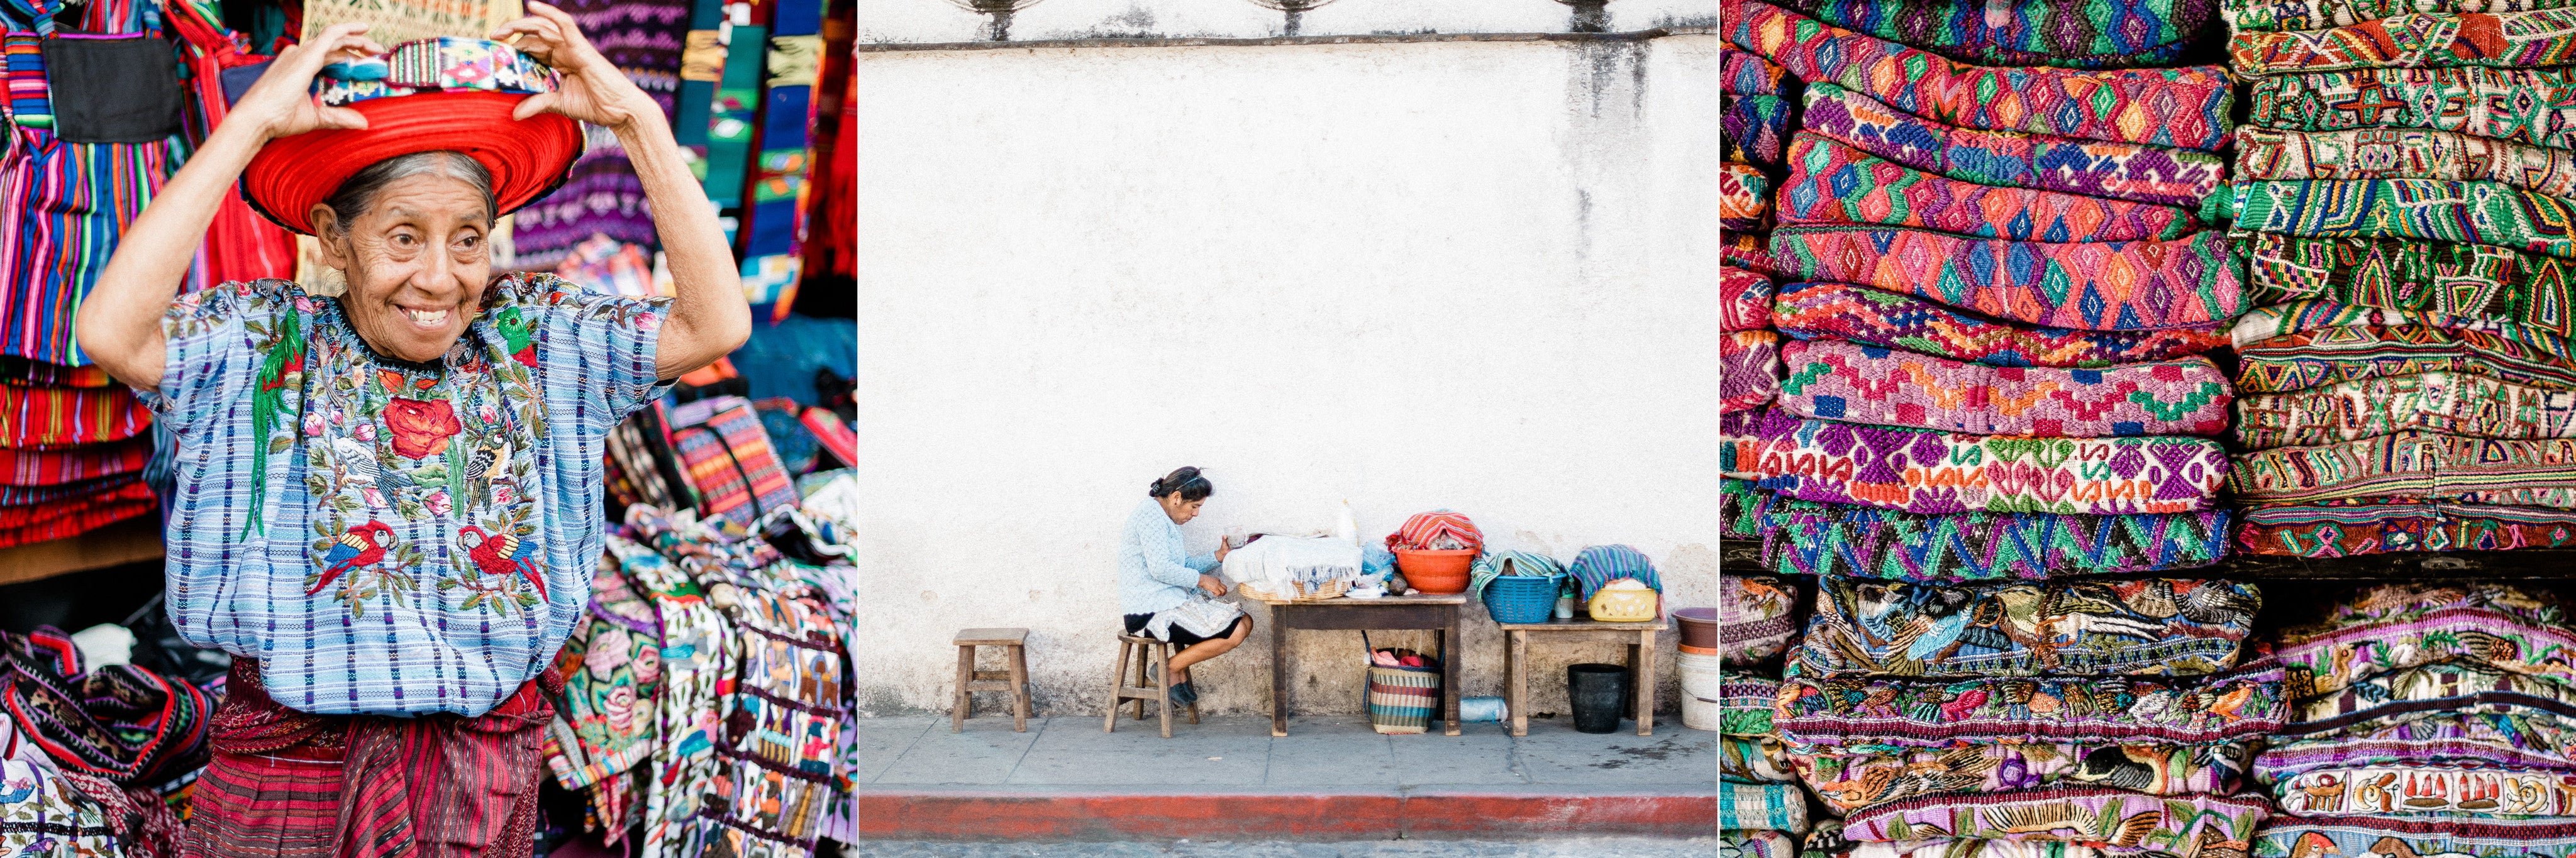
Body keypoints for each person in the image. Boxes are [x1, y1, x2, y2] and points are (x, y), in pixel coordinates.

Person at [73, 4, 746, 854]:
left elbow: (714, 325)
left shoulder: (533, 339)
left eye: (468, 239)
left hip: (476, 774)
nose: (439, 277)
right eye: (402, 237)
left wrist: (637, 122)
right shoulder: (263, 343)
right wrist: (247, 127)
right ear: (332, 238)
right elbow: (111, 334)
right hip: (289, 773)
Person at [1118, 466, 1252, 706]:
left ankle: (1171, 667)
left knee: (1244, 622)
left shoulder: (1164, 519)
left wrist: (1219, 556)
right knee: (1235, 629)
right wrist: (1203, 580)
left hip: (1168, 603)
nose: (1196, 514)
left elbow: (1183, 565)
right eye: (1195, 506)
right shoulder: (1150, 517)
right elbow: (1160, 569)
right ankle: (1168, 670)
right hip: (1149, 611)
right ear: (1177, 497)